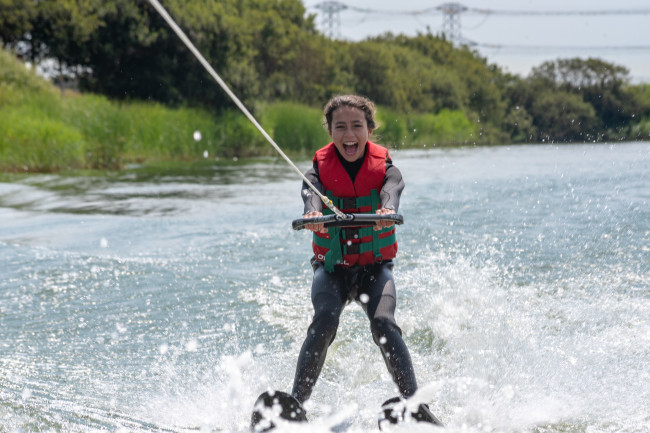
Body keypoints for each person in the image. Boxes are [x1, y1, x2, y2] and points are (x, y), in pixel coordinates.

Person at [290, 94, 430, 420]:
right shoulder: (317, 171)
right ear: (330, 131)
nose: (349, 134)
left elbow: (392, 190)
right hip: (332, 269)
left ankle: (415, 407)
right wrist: (312, 214)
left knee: (383, 323)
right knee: (323, 321)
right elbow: (310, 194)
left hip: (374, 268)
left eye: (357, 126)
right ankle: (294, 408)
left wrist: (387, 210)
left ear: (369, 128)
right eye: (340, 127)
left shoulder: (387, 169)